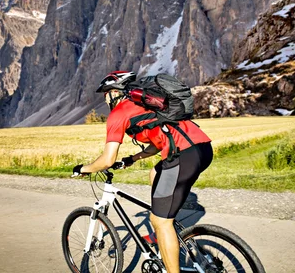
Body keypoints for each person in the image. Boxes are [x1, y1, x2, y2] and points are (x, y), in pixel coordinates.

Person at [73, 71, 213, 273]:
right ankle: (164, 228)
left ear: (114, 92)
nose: (105, 98)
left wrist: (84, 169)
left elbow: (107, 159)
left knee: (160, 221)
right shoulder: (149, 103)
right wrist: (133, 159)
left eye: (106, 93)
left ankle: (164, 230)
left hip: (183, 155)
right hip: (203, 148)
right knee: (155, 174)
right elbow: (157, 142)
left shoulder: (118, 113)